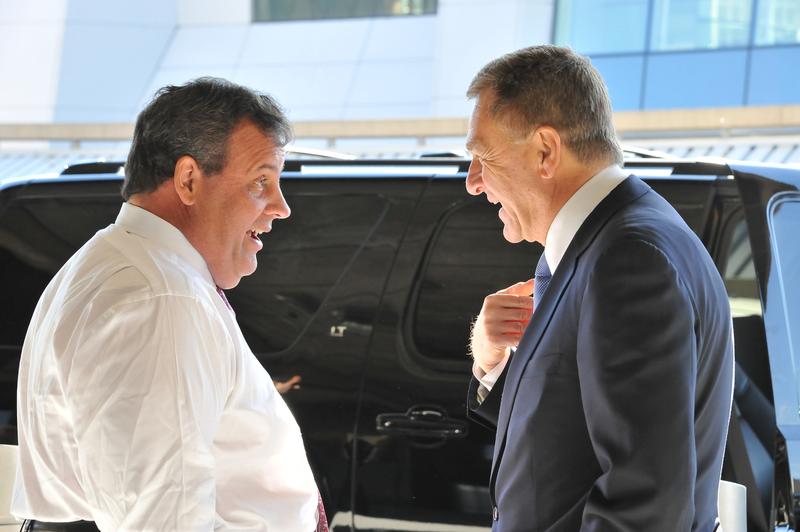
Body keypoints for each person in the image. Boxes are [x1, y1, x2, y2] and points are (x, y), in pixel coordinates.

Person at [12, 78, 326, 532]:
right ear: (189, 180)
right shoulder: (158, 297)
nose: (281, 207)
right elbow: (165, 519)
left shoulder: (126, 265)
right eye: (261, 181)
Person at [465, 46, 733, 531]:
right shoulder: (607, 244)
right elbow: (568, 438)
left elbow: (643, 504)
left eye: (483, 157)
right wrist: (492, 362)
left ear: (546, 151)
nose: (473, 182)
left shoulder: (629, 259)